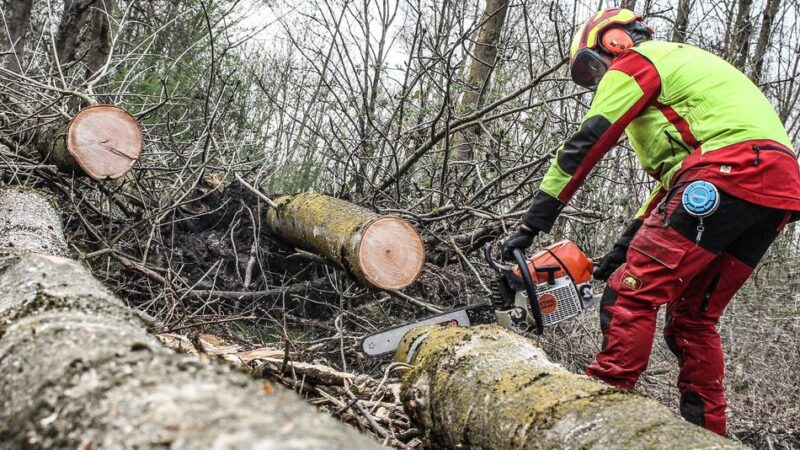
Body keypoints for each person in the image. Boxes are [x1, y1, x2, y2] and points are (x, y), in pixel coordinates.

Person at [501, 7, 800, 436]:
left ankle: (600, 411)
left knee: (630, 294)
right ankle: (708, 438)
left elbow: (588, 140)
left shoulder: (637, 62)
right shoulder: (688, 76)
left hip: (726, 171)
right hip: (775, 189)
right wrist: (621, 249)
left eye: (591, 66)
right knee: (694, 320)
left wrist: (533, 222)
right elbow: (678, 182)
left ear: (613, 40)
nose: (597, 79)